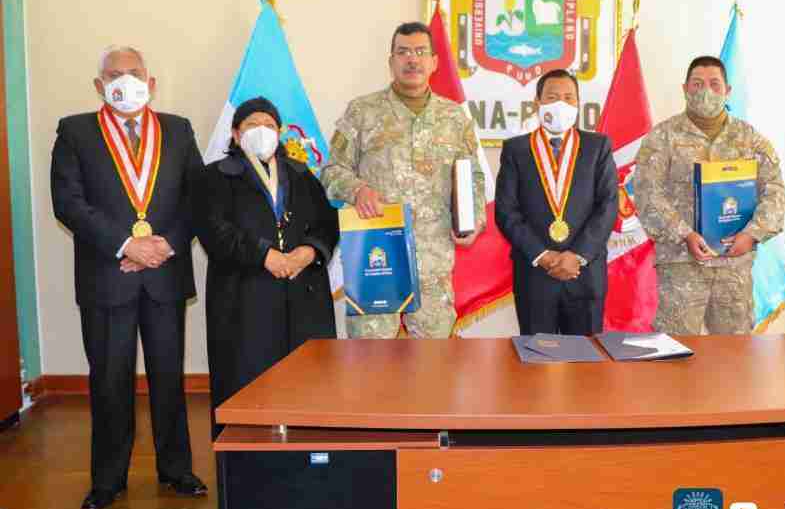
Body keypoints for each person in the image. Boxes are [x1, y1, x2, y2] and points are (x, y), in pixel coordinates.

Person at [51, 46, 206, 509]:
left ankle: (177, 470)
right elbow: (68, 202)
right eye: (114, 74)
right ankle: (107, 480)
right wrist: (126, 245)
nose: (125, 81)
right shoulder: (75, 131)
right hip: (107, 276)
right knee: (109, 381)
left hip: (164, 273)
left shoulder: (177, 130)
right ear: (99, 86)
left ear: (151, 83)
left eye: (134, 73)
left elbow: (197, 197)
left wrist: (164, 246)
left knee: (168, 378)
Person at [321, 22, 485, 339]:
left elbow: (473, 177)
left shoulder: (454, 117)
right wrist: (357, 190)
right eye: (403, 52)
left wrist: (473, 219)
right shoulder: (362, 112)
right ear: (391, 60)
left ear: (434, 62)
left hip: (433, 262)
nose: (412, 59)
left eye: (420, 52)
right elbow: (330, 170)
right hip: (375, 257)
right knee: (371, 357)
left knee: (434, 360)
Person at [196, 97, 339, 438]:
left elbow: (327, 224)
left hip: (303, 295)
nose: (261, 131)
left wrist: (308, 252)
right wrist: (265, 255)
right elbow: (214, 230)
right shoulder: (214, 177)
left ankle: (308, 456)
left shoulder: (302, 174)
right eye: (251, 125)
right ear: (235, 133)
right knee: (245, 387)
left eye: (269, 125)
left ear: (280, 132)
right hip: (243, 297)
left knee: (308, 384)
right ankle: (243, 459)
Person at [634, 56, 785, 335]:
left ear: (728, 90)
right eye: (697, 84)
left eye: (715, 84)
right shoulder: (662, 137)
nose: (706, 91)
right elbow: (647, 194)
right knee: (677, 351)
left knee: (734, 354)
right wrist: (684, 234)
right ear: (685, 89)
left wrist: (751, 234)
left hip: (734, 268)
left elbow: (774, 192)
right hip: (681, 265)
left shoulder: (750, 139)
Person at [495, 69, 618, 334]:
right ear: (537, 103)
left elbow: (608, 205)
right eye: (552, 97)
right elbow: (506, 211)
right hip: (535, 275)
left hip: (584, 273)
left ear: (578, 103)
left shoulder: (597, 146)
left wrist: (577, 255)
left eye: (568, 97)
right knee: (538, 355)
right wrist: (543, 255)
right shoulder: (516, 149)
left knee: (586, 355)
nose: (561, 103)